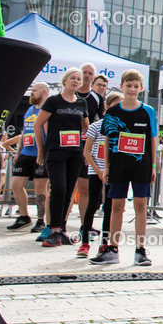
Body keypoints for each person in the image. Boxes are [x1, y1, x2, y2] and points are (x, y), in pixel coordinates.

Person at [91, 71, 158, 266]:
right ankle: (112, 250)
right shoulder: (112, 112)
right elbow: (106, 139)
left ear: (141, 89)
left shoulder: (148, 111)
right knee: (116, 207)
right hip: (118, 166)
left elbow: (153, 139)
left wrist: (153, 166)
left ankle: (140, 250)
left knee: (140, 206)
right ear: (121, 86)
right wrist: (106, 167)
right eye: (128, 85)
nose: (132, 89)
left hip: (141, 165)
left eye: (136, 86)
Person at [34, 67, 89, 247]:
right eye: (72, 78)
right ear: (64, 81)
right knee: (58, 188)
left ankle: (61, 230)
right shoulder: (53, 101)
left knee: (68, 192)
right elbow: (38, 125)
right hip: (56, 152)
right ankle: (54, 230)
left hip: (75, 153)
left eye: (78, 79)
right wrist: (41, 151)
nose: (75, 81)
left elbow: (87, 128)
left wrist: (86, 150)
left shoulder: (82, 103)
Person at [80, 91, 122, 259]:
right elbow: (87, 151)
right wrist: (98, 171)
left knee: (109, 207)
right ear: (106, 107)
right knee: (92, 205)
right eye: (114, 105)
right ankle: (84, 242)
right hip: (95, 171)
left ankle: (105, 243)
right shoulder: (96, 126)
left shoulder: (121, 126)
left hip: (113, 172)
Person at [6, 81, 50, 231]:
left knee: (40, 189)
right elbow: (25, 132)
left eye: (35, 90)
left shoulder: (48, 109)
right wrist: (18, 152)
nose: (32, 93)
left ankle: (41, 220)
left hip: (40, 153)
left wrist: (45, 152)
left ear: (44, 92)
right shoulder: (30, 110)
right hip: (26, 152)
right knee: (16, 184)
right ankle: (24, 216)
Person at [73, 63, 103, 231]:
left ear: (93, 77)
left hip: (86, 147)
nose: (86, 75)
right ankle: (58, 225)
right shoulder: (70, 93)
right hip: (67, 146)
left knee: (84, 189)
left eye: (89, 73)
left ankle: (85, 226)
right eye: (83, 72)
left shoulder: (97, 98)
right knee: (67, 189)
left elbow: (99, 124)